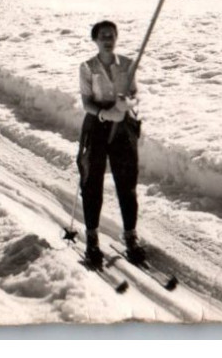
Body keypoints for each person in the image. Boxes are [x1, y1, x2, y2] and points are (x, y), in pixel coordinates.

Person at [77, 20, 145, 268]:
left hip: (123, 129)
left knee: (127, 183)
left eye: (112, 35)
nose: (108, 39)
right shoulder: (87, 67)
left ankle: (130, 237)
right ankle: (92, 238)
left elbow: (135, 94)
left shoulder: (127, 65)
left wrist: (126, 105)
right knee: (92, 181)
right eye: (103, 36)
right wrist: (106, 114)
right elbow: (86, 102)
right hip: (96, 126)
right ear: (95, 39)